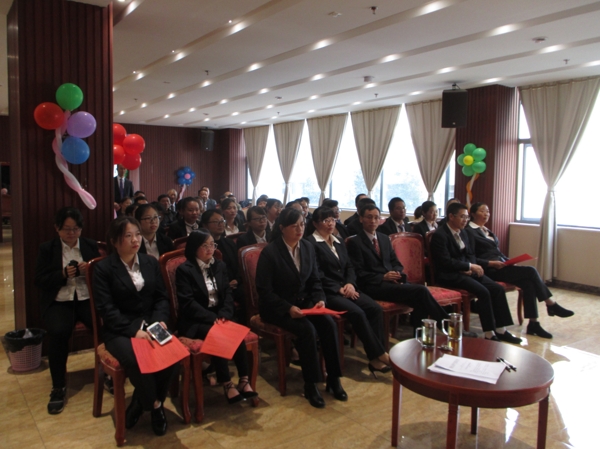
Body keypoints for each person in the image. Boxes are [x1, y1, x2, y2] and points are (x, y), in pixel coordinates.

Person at [92, 216, 177, 436]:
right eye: (128, 236)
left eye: (137, 234)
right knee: (138, 359)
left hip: (152, 324)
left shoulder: (150, 262)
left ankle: (140, 400)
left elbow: (161, 297)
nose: (135, 240)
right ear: (114, 241)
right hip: (120, 330)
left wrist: (159, 321)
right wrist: (134, 331)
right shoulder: (104, 269)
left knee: (173, 354)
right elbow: (106, 309)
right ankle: (156, 406)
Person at [256, 208, 346, 408]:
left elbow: (315, 279)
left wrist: (319, 299)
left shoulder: (307, 247)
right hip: (277, 307)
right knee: (307, 330)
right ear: (282, 228)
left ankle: (333, 378)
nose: (299, 229)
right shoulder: (270, 252)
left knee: (329, 324)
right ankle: (311, 384)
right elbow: (264, 291)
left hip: (303, 302)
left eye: (302, 225)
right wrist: (288, 308)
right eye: (294, 226)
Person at [466, 202, 574, 339]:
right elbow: (471, 257)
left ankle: (533, 323)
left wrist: (509, 261)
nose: (486, 214)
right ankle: (551, 304)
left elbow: (497, 252)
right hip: (489, 269)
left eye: (487, 211)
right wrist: (491, 263)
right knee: (531, 271)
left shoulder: (487, 231)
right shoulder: (469, 231)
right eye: (482, 211)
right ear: (473, 213)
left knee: (528, 283)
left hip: (501, 265)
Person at [306, 207, 390, 376]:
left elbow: (350, 266)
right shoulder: (310, 244)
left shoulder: (338, 241)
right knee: (357, 313)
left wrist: (350, 283)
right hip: (328, 292)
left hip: (347, 288)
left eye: (332, 220)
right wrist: (338, 288)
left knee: (374, 308)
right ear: (315, 223)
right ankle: (380, 355)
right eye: (325, 220)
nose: (330, 224)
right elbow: (316, 274)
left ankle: (375, 358)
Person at [176, 231, 258, 403]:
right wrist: (211, 317)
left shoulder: (219, 265)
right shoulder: (185, 270)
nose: (210, 249)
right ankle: (227, 383)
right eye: (204, 245)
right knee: (219, 335)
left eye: (212, 245)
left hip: (220, 316)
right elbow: (188, 302)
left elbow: (227, 293)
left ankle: (244, 380)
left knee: (237, 334)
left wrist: (224, 314)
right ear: (194, 248)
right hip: (197, 320)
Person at [34, 207, 101, 414]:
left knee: (105, 325)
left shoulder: (90, 245)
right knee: (58, 332)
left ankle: (107, 374)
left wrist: (89, 270)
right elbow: (39, 280)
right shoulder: (48, 249)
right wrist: (62, 274)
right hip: (60, 300)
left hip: (86, 298)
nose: (72, 233)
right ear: (57, 228)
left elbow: (103, 274)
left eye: (76, 229)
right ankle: (58, 386)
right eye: (67, 229)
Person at [346, 204, 449, 330]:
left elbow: (396, 262)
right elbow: (358, 272)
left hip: (391, 282)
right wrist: (383, 277)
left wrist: (396, 273)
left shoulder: (384, 238)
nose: (373, 221)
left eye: (376, 217)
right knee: (421, 291)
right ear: (361, 219)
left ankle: (419, 333)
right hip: (372, 285)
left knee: (420, 299)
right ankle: (447, 325)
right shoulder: (355, 242)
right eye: (369, 217)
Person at [429, 202, 521, 343]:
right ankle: (489, 333)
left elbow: (471, 254)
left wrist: (471, 266)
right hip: (449, 274)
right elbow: (444, 261)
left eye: (467, 217)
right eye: (462, 217)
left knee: (496, 288)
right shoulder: (440, 235)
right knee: (483, 292)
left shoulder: (465, 232)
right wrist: (467, 266)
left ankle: (501, 329)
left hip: (467, 271)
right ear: (451, 217)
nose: (465, 220)